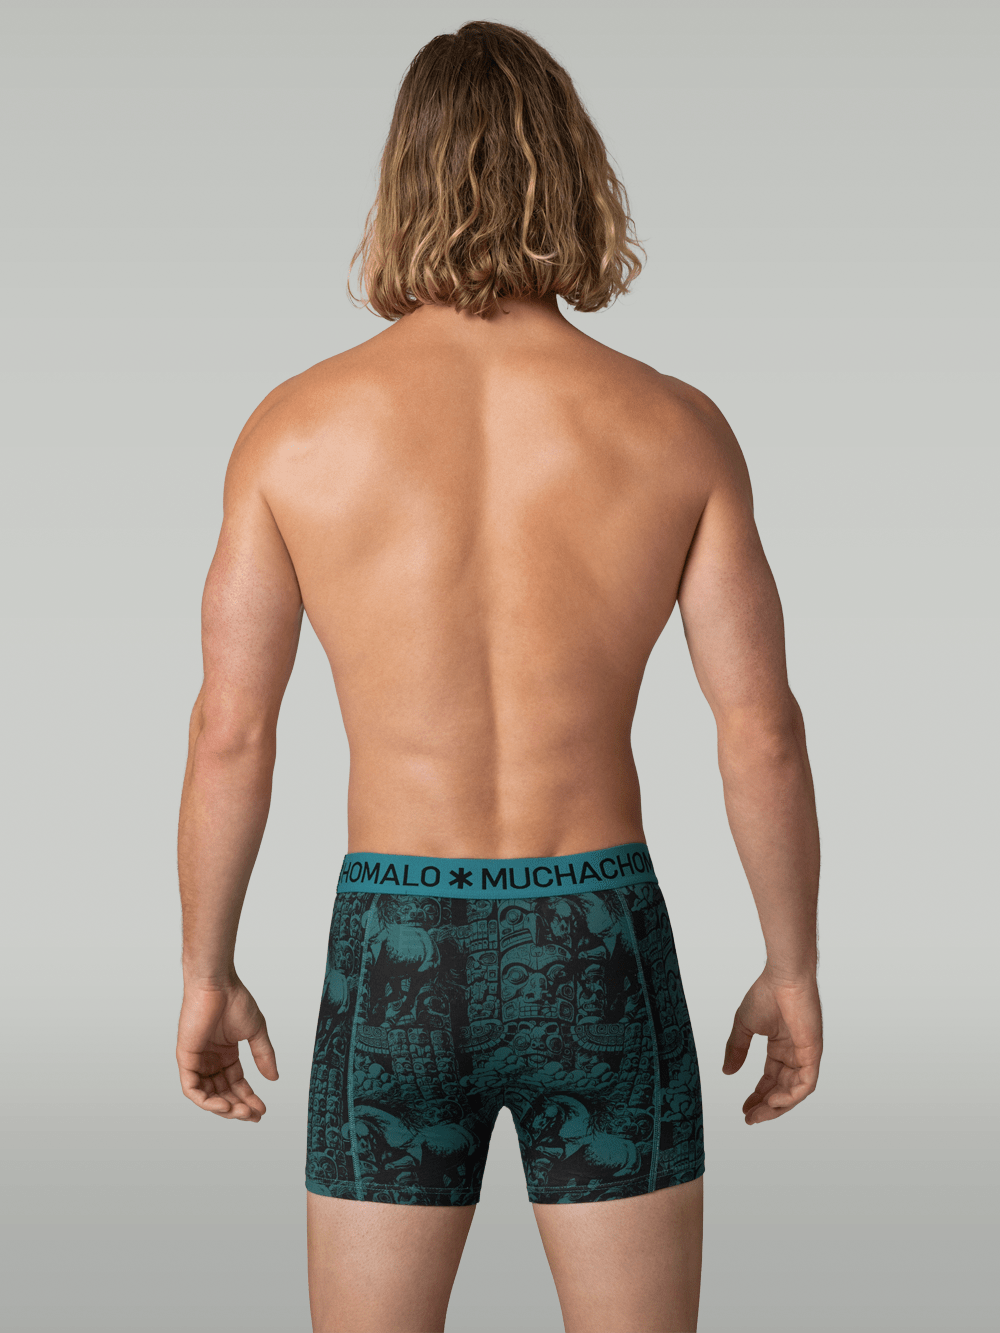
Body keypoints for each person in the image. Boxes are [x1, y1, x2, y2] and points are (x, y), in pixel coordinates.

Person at [175, 20, 822, 1333]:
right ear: (572, 173)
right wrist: (792, 960)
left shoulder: (294, 431)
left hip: (396, 945)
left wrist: (206, 965)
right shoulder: (673, 427)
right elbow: (759, 728)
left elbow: (231, 731)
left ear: (401, 179)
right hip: (595, 937)